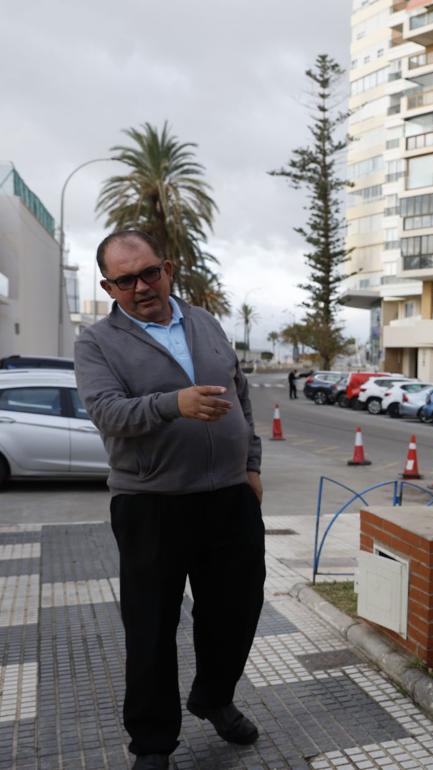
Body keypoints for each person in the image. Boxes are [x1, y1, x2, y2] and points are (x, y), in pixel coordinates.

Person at [74, 230, 265, 770]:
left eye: (149, 273)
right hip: (150, 503)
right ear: (110, 287)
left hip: (229, 497)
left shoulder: (203, 321)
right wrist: (171, 404)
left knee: (238, 607)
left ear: (169, 269)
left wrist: (250, 464)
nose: (141, 287)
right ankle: (154, 743)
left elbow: (241, 394)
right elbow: (109, 413)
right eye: (125, 280)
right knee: (152, 624)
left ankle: (213, 699)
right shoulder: (96, 342)